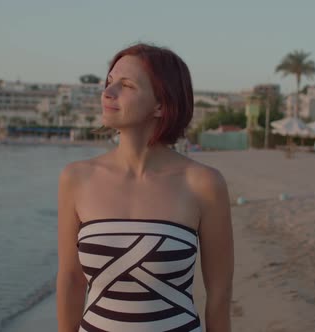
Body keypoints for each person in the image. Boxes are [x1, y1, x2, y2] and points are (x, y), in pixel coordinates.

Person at [57, 43, 234, 332]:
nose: (108, 93)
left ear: (161, 104)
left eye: (125, 85)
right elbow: (70, 279)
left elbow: (219, 295)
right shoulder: (76, 178)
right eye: (109, 82)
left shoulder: (203, 183)